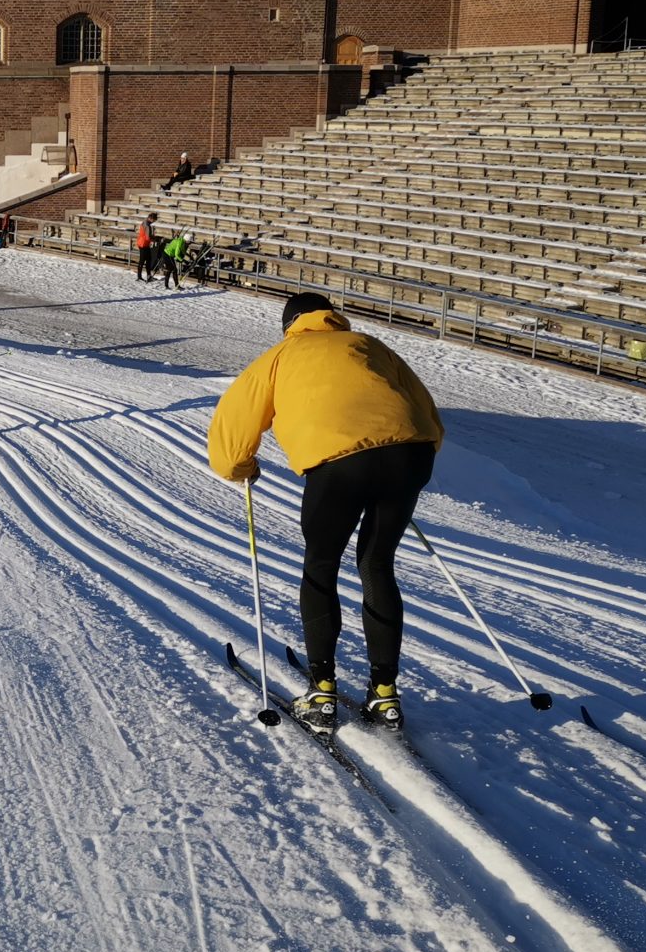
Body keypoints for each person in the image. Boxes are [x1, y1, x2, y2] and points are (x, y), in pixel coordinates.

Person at [207, 291, 444, 732]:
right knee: (377, 565)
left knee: (321, 565)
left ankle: (322, 690)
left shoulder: (280, 356)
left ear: (290, 324)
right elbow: (424, 406)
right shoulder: (369, 346)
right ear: (331, 317)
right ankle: (385, 695)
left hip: (338, 465)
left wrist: (241, 468)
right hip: (410, 456)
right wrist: (401, 467)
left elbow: (233, 426)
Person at [135, 214, 159, 282]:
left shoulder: (145, 222)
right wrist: (154, 239)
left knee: (148, 260)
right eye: (154, 220)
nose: (154, 222)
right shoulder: (147, 225)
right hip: (143, 244)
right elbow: (148, 237)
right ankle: (140, 277)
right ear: (151, 218)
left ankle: (148, 276)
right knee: (143, 261)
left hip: (142, 243)